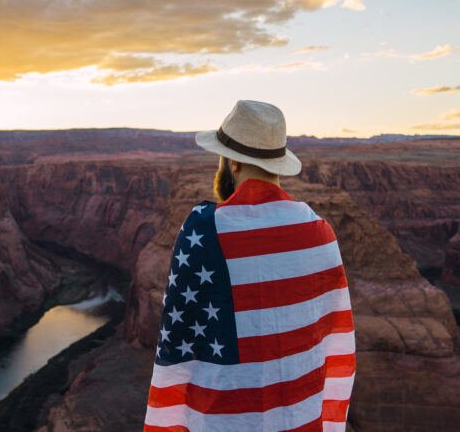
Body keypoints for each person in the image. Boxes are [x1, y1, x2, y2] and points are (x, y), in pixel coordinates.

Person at [143, 100, 356, 431]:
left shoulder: (203, 230)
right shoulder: (320, 232)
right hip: (298, 420)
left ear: (231, 162)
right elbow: (333, 338)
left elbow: (178, 348)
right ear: (279, 164)